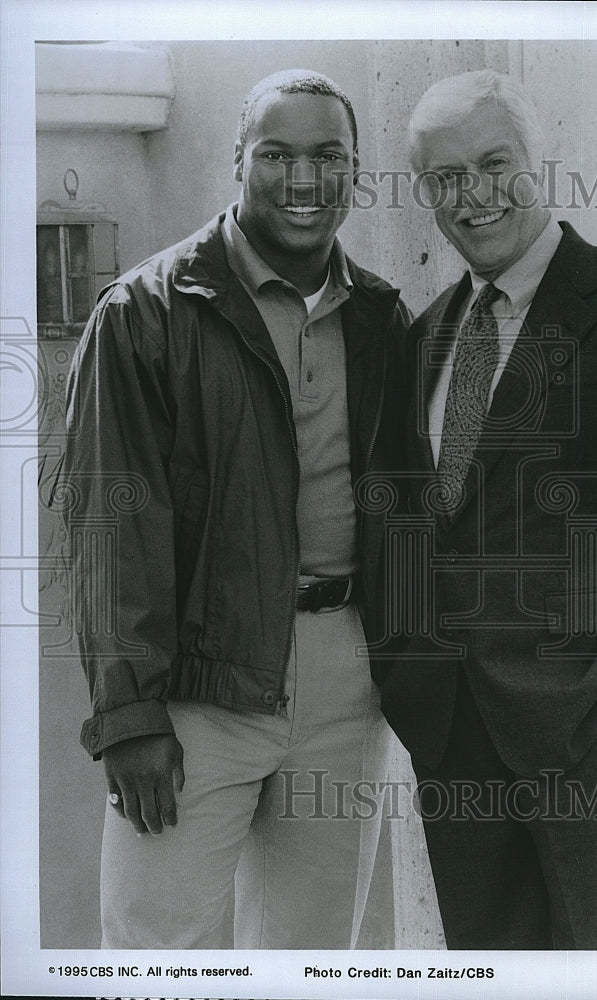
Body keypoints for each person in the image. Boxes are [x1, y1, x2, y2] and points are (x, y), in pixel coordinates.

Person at [372, 70, 597, 949]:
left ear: (540, 164)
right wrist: (406, 675)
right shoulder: (425, 336)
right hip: (453, 732)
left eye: (494, 163)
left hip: (589, 723)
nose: (474, 196)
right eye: (445, 179)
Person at [56, 69, 409, 949]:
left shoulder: (380, 316)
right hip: (196, 687)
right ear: (236, 162)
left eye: (327, 155)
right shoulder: (143, 313)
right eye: (277, 153)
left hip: (343, 679)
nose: (303, 178)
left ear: (354, 171)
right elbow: (108, 528)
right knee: (156, 956)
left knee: (309, 956)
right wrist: (129, 717)